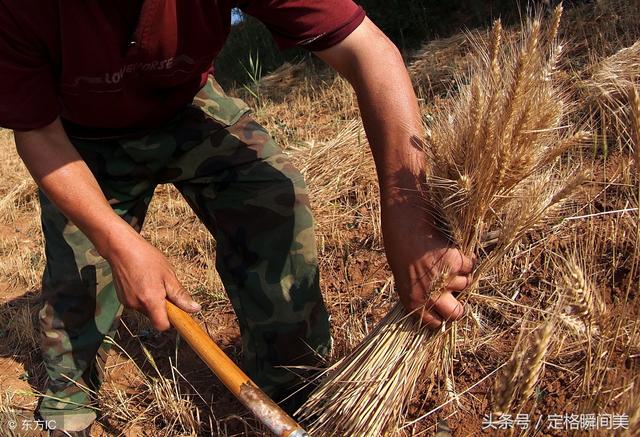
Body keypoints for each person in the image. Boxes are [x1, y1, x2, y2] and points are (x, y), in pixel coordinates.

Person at [0, 1, 473, 435]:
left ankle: (291, 378)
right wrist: (116, 240)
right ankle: (68, 395)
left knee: (274, 198)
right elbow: (37, 132)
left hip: (187, 103)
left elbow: (368, 50)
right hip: (80, 138)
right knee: (80, 274)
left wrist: (409, 211)